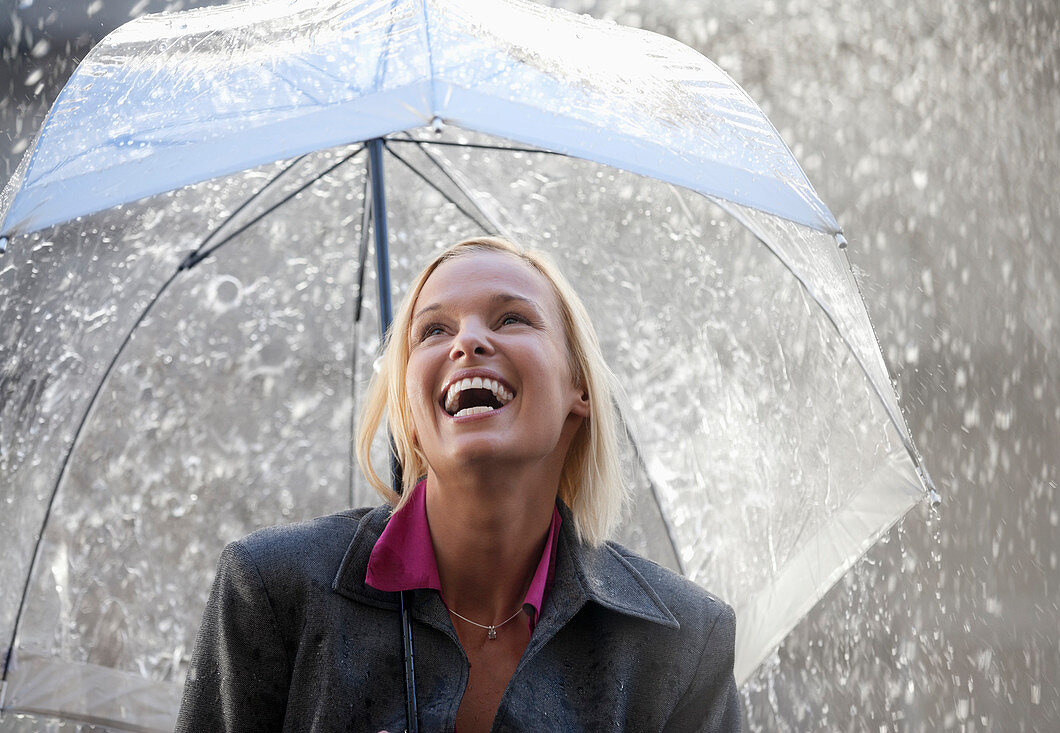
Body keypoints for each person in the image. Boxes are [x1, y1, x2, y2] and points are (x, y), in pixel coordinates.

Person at [175, 236, 741, 732]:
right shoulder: (272, 592)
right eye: (434, 329)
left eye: (511, 318)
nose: (466, 342)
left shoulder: (684, 643)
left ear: (581, 388)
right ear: (408, 412)